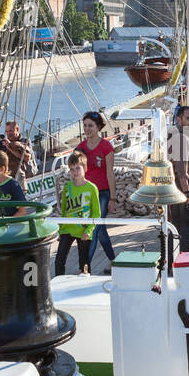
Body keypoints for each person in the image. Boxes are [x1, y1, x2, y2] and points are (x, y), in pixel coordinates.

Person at [75, 111, 116, 267]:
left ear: (98, 127)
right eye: (85, 125)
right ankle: (114, 261)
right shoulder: (80, 148)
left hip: (103, 193)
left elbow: (110, 173)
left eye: (90, 125)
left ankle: (85, 267)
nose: (87, 129)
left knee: (93, 228)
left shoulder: (106, 147)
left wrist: (112, 198)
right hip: (87, 194)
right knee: (101, 231)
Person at [54, 150, 100, 275]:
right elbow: (64, 210)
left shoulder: (91, 188)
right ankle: (59, 285)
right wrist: (61, 229)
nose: (75, 172)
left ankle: (84, 286)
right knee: (59, 260)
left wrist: (89, 230)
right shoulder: (67, 187)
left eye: (78, 168)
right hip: (67, 229)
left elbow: (96, 214)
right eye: (72, 169)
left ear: (85, 168)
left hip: (83, 230)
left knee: (84, 263)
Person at [168, 105, 189, 253]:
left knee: (177, 227)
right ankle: (187, 262)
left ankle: (173, 263)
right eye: (188, 118)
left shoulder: (176, 136)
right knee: (188, 226)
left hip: (177, 186)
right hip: (185, 186)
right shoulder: (181, 138)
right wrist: (188, 192)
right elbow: (182, 169)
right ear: (178, 119)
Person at [0, 150, 27, 215]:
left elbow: (22, 211)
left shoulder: (13, 185)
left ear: (2, 169)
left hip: (12, 224)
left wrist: (8, 223)